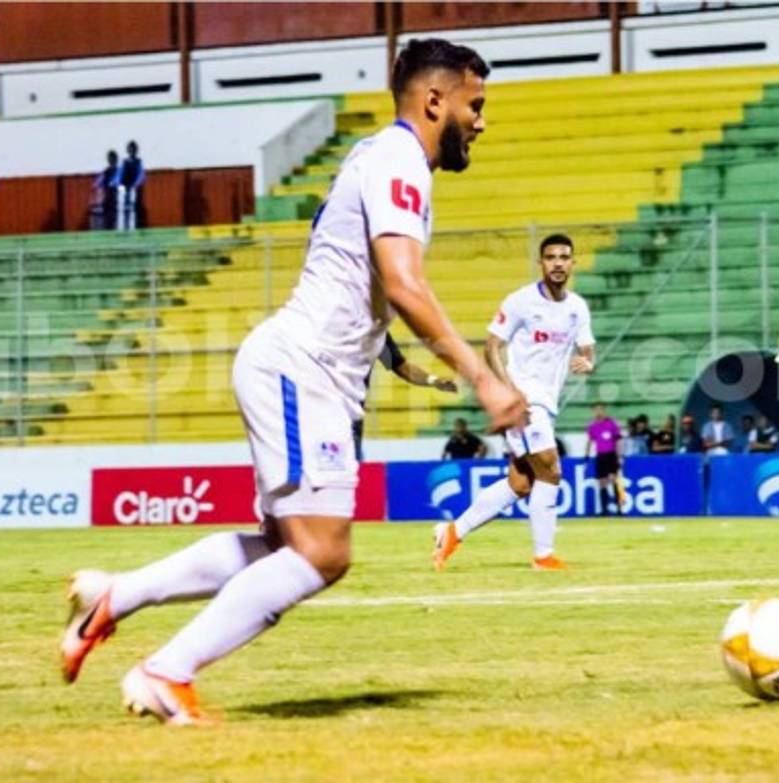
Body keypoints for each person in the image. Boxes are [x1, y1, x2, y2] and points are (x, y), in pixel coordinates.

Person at [59, 39, 522, 725]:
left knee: (285, 546)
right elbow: (402, 282)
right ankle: (165, 672)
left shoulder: (372, 157)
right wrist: (482, 376)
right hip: (303, 371)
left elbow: (362, 285)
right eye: (474, 105)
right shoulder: (401, 163)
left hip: (307, 371)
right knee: (323, 552)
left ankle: (115, 596)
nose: (481, 122)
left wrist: (391, 359)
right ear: (434, 100)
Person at [434, 233, 595, 569]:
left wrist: (587, 362)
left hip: (546, 403)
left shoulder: (577, 307)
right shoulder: (521, 301)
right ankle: (543, 555)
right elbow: (491, 346)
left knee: (520, 483)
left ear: (572, 263)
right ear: (541, 263)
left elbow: (587, 350)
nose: (557, 264)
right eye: (551, 258)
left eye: (564, 257)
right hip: (523, 401)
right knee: (551, 469)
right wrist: (509, 392)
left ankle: (453, 532)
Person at [357, 332, 458, 461]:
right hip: (326, 409)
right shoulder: (326, 324)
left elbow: (401, 367)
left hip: (352, 417)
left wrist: (434, 381)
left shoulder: (376, 334)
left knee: (349, 470)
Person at [584, 403, 622, 516]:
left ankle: (619, 509)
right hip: (600, 456)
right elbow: (590, 441)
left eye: (601, 409)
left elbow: (618, 440)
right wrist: (586, 455)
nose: (598, 412)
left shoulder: (611, 424)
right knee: (602, 482)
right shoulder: (592, 426)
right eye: (596, 410)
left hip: (611, 455)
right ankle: (604, 510)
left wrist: (619, 456)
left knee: (614, 480)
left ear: (604, 410)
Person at [120, 140, 146, 229]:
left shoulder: (138, 161)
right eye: (130, 149)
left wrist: (137, 183)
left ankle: (136, 228)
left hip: (135, 189)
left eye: (133, 149)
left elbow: (141, 174)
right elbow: (120, 174)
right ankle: (125, 228)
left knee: (136, 210)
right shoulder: (125, 162)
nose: (132, 151)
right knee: (125, 209)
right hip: (126, 189)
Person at [94, 150, 120, 231]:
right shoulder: (106, 172)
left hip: (116, 200)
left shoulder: (119, 171)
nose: (111, 161)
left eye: (112, 159)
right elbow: (97, 184)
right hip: (109, 200)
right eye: (110, 159)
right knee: (109, 221)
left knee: (115, 221)